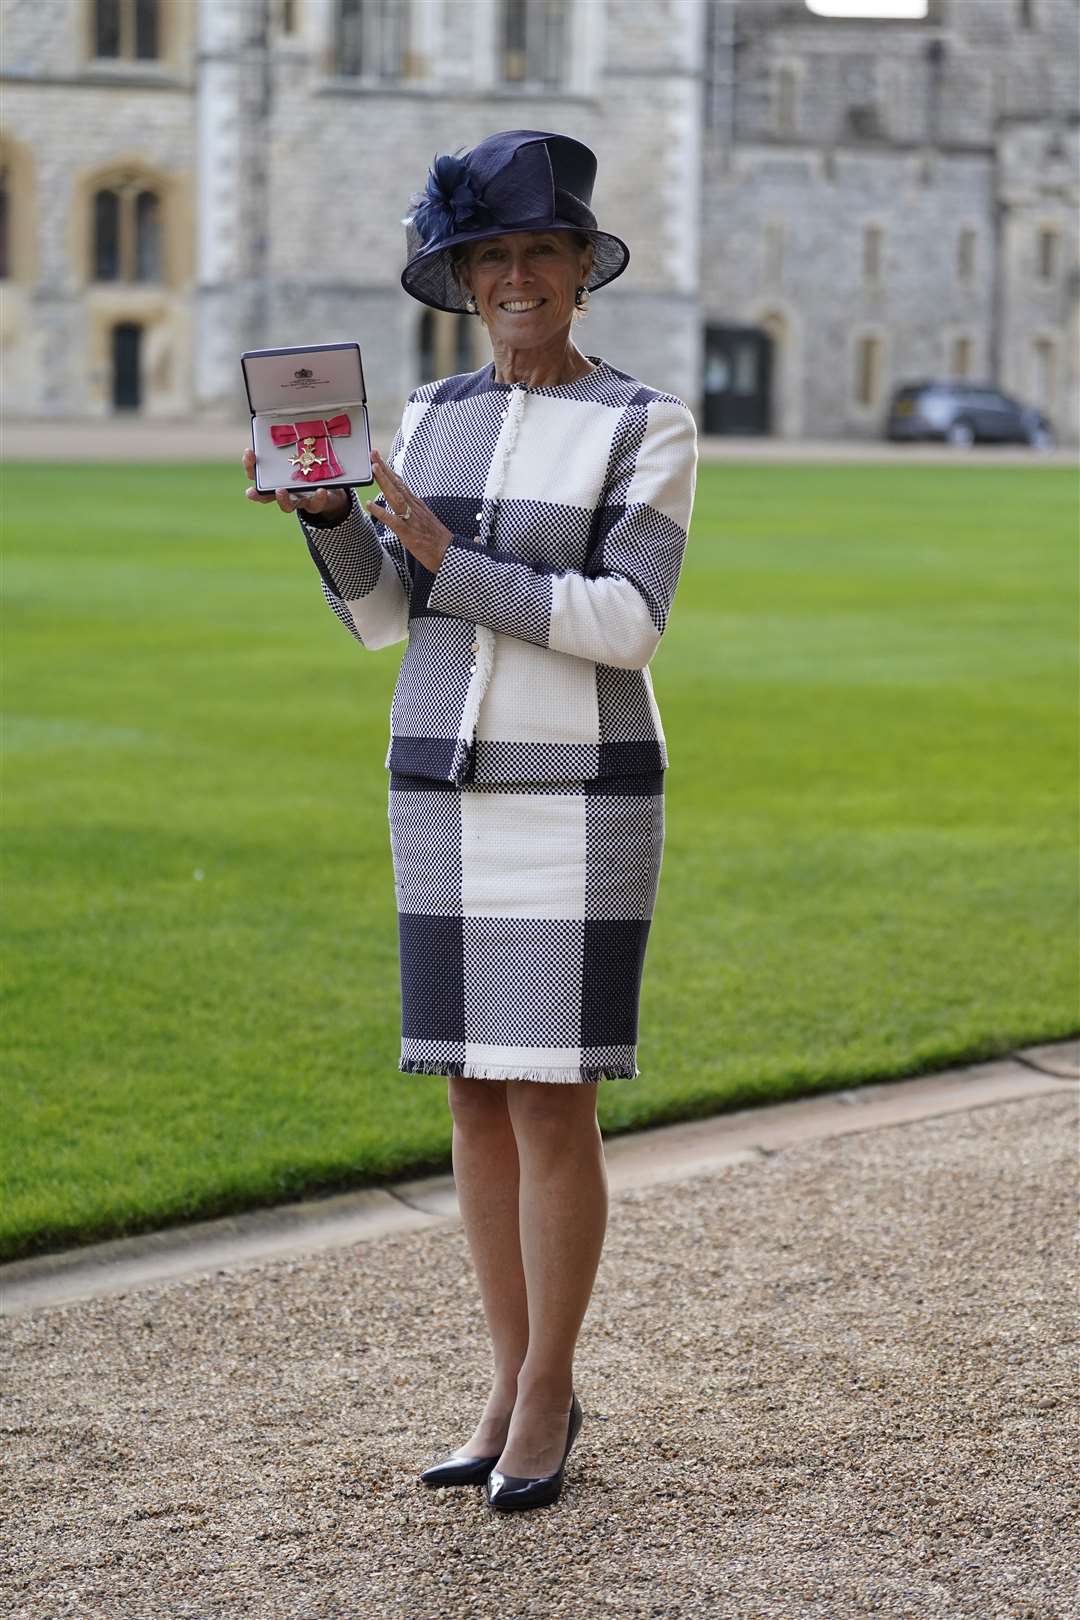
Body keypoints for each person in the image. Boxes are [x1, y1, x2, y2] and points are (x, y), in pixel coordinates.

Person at [241, 129, 698, 1512]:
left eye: (538, 253)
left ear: (578, 270)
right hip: (438, 780)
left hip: (579, 791)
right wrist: (330, 520)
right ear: (464, 276)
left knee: (554, 1103)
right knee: (471, 1092)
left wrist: (451, 557)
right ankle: (503, 1381)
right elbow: (384, 618)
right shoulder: (428, 419)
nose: (515, 277)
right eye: (490, 255)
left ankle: (551, 1392)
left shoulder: (646, 425)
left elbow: (627, 622)